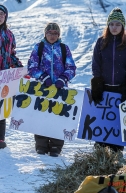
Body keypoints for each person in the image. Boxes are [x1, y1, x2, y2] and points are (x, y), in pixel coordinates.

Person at [91, 7, 126, 152]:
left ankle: (117, 152)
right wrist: (97, 83)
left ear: (122, 26)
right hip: (104, 87)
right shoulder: (101, 42)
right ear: (108, 26)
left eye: (117, 24)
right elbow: (96, 63)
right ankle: (100, 152)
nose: (114, 27)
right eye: (111, 24)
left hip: (120, 87)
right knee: (103, 121)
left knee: (117, 122)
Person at [27, 22, 76, 157]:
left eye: (55, 33)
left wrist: (63, 79)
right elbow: (31, 66)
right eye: (50, 33)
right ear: (45, 34)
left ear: (59, 35)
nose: (52, 35)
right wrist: (42, 77)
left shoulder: (64, 49)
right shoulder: (39, 47)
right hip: (42, 89)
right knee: (41, 116)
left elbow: (71, 68)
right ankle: (41, 144)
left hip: (60, 90)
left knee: (58, 117)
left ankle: (56, 145)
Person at [0, 4, 23, 149]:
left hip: (4, 77)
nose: (0, 16)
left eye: (2, 14)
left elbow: (11, 54)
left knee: (1, 109)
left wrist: (20, 68)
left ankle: (0, 138)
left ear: (5, 17)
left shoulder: (9, 34)